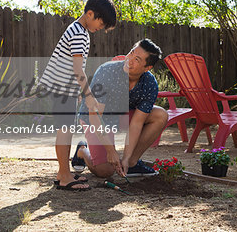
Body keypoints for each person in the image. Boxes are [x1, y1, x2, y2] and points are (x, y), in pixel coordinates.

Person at [38, 0, 117, 190]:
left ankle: (62, 171)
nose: (101, 28)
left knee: (66, 130)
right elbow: (77, 68)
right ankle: (64, 176)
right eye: (101, 23)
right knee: (64, 131)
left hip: (63, 86)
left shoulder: (77, 29)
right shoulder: (80, 33)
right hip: (62, 86)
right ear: (90, 14)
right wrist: (89, 96)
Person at [72, 39, 168, 178]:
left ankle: (133, 163)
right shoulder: (107, 72)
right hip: (95, 118)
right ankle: (82, 150)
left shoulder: (149, 83)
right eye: (131, 52)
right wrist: (110, 150)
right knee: (105, 171)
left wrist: (127, 158)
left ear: (147, 68)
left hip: (120, 116)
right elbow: (95, 115)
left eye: (137, 59)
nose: (129, 59)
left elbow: (137, 123)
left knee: (160, 115)